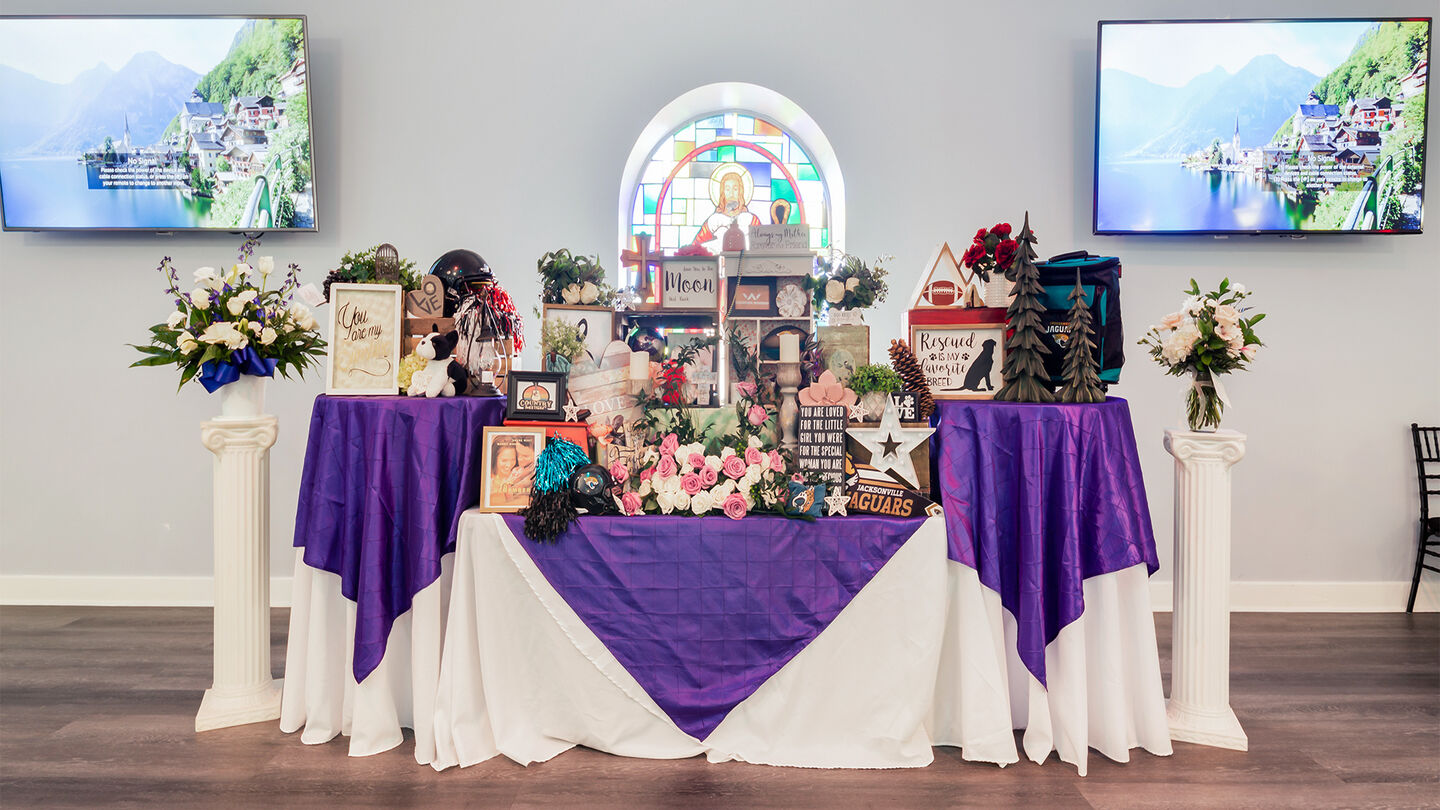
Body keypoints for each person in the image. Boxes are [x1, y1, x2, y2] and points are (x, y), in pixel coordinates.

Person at [691, 165, 761, 247]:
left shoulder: (751, 220)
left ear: (740, 192)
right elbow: (696, 247)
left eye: (735, 189)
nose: (731, 194)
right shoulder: (713, 221)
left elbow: (763, 244)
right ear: (722, 192)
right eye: (727, 189)